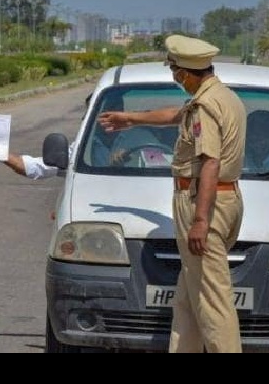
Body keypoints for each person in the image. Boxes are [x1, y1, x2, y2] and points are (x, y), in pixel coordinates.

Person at [98, 35, 247, 353]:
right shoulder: (221, 96)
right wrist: (131, 119)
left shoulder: (205, 106)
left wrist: (200, 220)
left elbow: (210, 162)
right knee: (189, 299)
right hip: (226, 199)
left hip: (202, 201)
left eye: (175, 72)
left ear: (185, 73)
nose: (175, 78)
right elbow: (175, 116)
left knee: (213, 301)